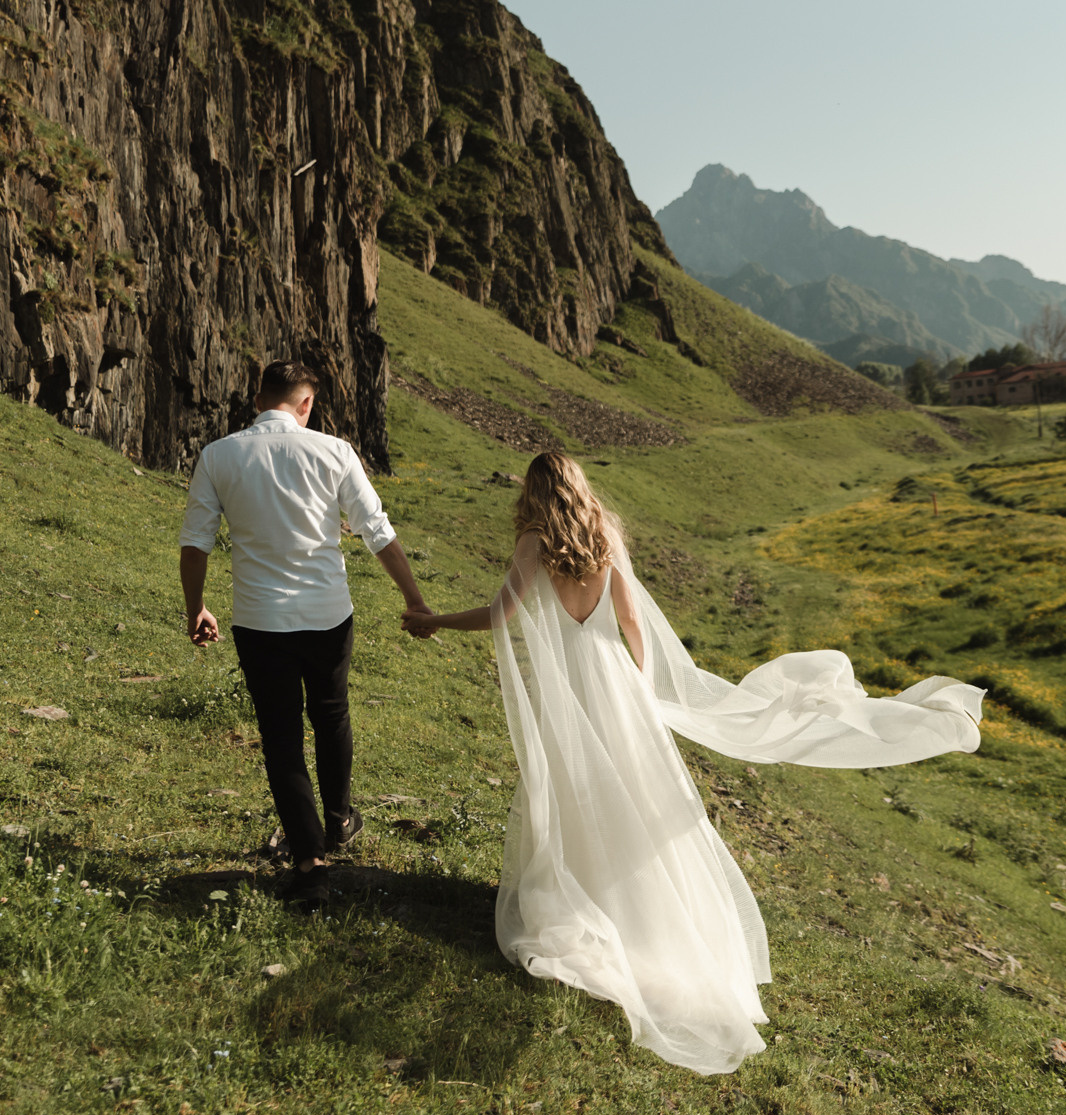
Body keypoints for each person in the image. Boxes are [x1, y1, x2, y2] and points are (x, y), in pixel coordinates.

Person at [401, 452, 983, 1074]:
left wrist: (432, 622)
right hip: (619, 687)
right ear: (578, 487)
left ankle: (591, 904)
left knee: (579, 792)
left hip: (572, 692)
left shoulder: (532, 543)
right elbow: (631, 623)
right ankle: (643, 913)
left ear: (534, 494)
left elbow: (499, 616)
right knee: (642, 800)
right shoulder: (604, 537)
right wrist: (644, 690)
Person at [179, 360, 433, 910]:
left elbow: (196, 542)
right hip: (327, 614)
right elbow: (377, 531)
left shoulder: (220, 455)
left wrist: (196, 607)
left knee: (280, 734)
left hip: (258, 618)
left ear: (258, 398)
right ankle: (339, 819)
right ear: (306, 404)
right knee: (331, 712)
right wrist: (413, 599)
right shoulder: (334, 451)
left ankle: (309, 862)